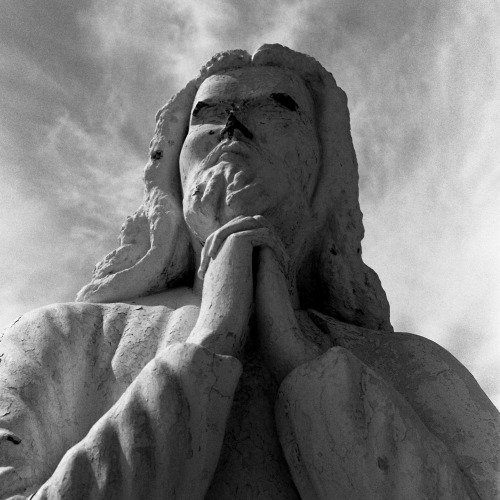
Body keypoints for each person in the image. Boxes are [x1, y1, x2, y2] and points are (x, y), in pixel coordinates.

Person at [0, 44, 498, 500]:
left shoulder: (415, 368)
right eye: (207, 115)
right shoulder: (64, 339)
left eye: (280, 106)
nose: (233, 125)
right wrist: (207, 348)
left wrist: (306, 367)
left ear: (326, 170)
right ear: (172, 163)